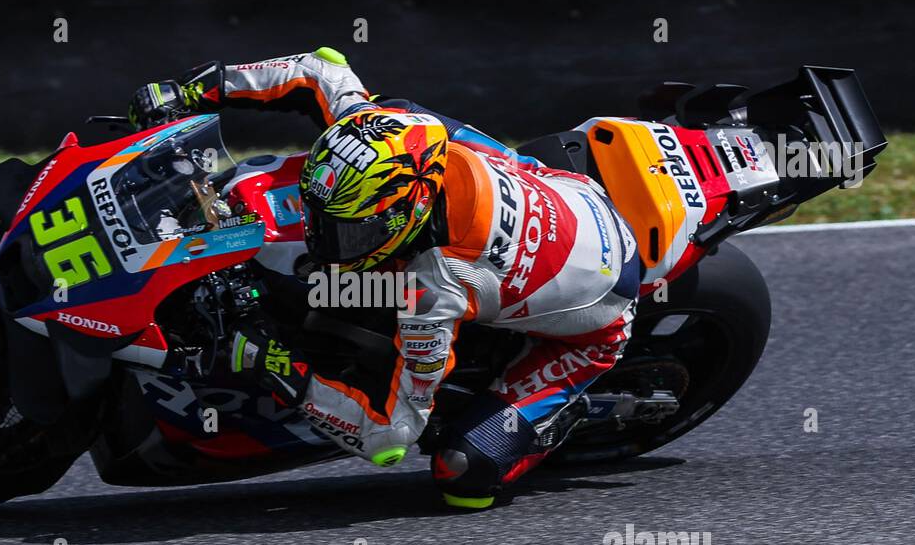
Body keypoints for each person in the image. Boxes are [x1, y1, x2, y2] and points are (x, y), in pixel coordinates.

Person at [129, 48, 641, 510]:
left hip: (600, 310)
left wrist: (276, 364)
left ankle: (559, 417)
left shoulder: (435, 287)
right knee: (405, 108)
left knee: (464, 474)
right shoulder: (380, 128)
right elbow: (320, 67)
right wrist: (199, 88)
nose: (321, 238)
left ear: (407, 214)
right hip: (566, 190)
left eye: (347, 232)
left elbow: (388, 437)